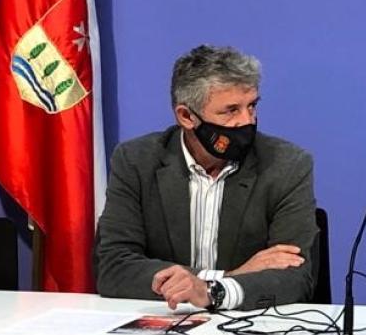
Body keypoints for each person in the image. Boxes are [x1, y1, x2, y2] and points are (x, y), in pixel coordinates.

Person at [95, 45, 318, 311]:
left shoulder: (286, 165)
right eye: (231, 110)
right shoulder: (136, 162)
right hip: (165, 328)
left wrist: (210, 291)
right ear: (187, 117)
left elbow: (295, 277)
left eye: (252, 106)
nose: (246, 121)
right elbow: (114, 268)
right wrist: (223, 280)